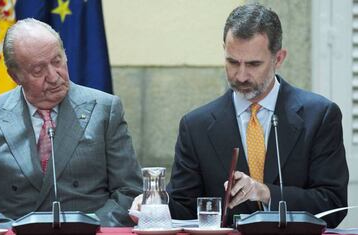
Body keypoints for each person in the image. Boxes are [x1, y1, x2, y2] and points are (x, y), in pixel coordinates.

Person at [131, 3, 348, 228]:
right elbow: (184, 208)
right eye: (233, 62)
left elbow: (332, 204)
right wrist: (152, 205)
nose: (241, 75)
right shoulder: (196, 126)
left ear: (279, 58)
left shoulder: (320, 116)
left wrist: (265, 193)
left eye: (254, 64)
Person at [0, 18, 142, 227]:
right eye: (38, 70)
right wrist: (14, 230)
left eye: (57, 61)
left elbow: (129, 194)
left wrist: (88, 226)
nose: (53, 76)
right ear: (15, 76)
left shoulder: (105, 109)